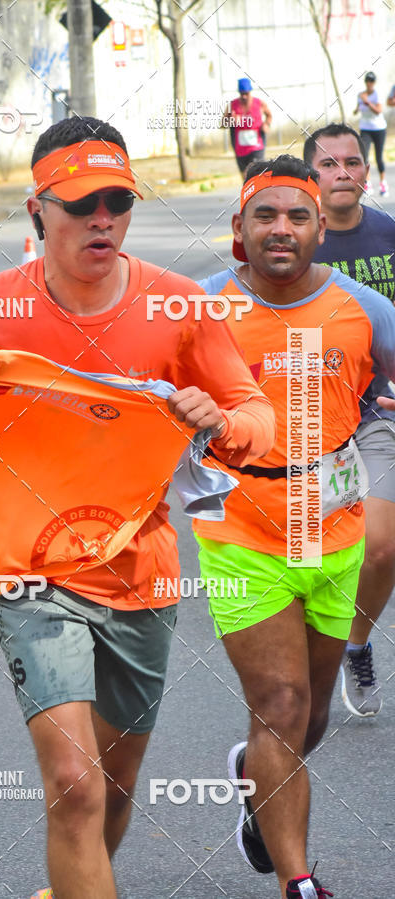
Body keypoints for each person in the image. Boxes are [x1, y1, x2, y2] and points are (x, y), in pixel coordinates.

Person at [0, 117, 275, 899]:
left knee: (114, 780)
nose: (102, 217)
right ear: (38, 211)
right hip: (26, 566)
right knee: (74, 780)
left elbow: (258, 419)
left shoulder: (178, 308)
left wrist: (221, 421)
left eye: (117, 200)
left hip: (140, 565)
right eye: (81, 203)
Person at [192, 155, 395, 898]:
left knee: (303, 724)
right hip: (240, 533)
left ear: (317, 228)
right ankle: (298, 881)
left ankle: (254, 776)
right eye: (265, 216)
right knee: (279, 706)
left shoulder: (366, 310)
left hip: (332, 533)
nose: (281, 228)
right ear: (239, 230)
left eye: (296, 215)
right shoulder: (199, 310)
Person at [303, 122, 395, 716]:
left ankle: (355, 646)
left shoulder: (389, 232)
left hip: (378, 411)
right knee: (307, 552)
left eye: (352, 162)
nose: (344, 172)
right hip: (311, 417)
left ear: (366, 172)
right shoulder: (294, 241)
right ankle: (307, 657)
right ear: (311, 179)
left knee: (382, 548)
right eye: (330, 164)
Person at [221, 76, 272, 179]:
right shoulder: (232, 105)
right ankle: (248, 193)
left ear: (250, 92)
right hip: (240, 148)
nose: (244, 96)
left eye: (246, 94)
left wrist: (266, 124)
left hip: (257, 146)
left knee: (257, 172)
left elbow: (269, 116)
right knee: (245, 176)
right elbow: (222, 124)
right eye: (241, 94)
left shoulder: (260, 103)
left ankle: (258, 192)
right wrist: (230, 119)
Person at [353, 71, 388, 195]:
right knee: (365, 156)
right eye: (368, 81)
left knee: (379, 158)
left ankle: (383, 184)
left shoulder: (377, 95)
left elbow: (378, 111)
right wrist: (357, 109)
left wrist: (367, 102)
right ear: (365, 82)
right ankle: (367, 183)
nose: (370, 83)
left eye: (372, 81)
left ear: (374, 83)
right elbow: (356, 111)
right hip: (365, 128)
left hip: (379, 129)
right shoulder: (360, 95)